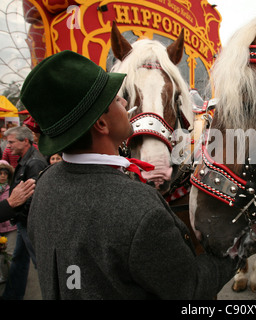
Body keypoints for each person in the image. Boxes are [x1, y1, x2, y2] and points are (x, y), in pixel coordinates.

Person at [21, 50, 239, 299]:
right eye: (117, 99)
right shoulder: (139, 207)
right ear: (101, 125)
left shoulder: (46, 182)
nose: (126, 103)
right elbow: (190, 287)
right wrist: (239, 248)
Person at [0, 126, 47, 300]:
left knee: (39, 263)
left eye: (11, 142)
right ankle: (12, 295)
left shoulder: (34, 163)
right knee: (19, 260)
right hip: (22, 221)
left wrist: (21, 216)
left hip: (27, 222)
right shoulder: (26, 160)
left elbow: (32, 197)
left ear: (25, 141)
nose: (8, 146)